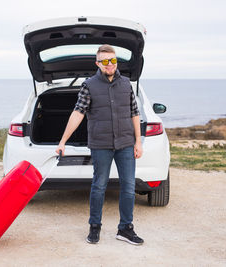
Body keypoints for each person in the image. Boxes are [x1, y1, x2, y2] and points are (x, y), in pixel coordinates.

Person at [55, 44, 144, 245]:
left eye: (113, 60)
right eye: (105, 61)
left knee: (129, 187)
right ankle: (94, 227)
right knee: (99, 186)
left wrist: (138, 141)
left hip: (126, 144)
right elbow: (78, 113)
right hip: (101, 144)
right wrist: (62, 141)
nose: (110, 64)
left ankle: (125, 229)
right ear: (98, 63)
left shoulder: (126, 84)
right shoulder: (89, 85)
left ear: (116, 61)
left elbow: (134, 113)